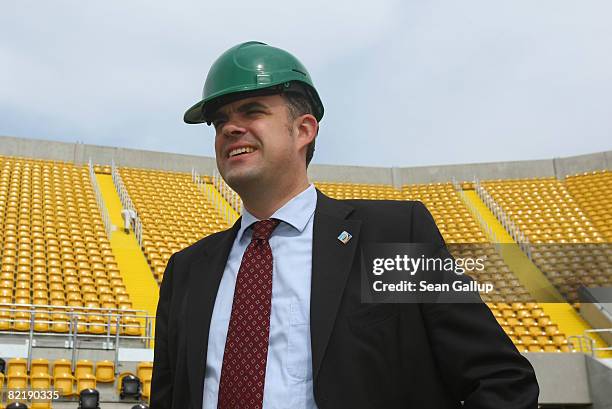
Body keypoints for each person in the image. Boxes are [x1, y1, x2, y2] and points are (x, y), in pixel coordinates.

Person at [151, 41, 539, 409]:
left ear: (304, 130)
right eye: (220, 121)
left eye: (252, 111)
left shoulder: (394, 235)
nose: (230, 129)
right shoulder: (186, 271)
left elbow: (500, 380)